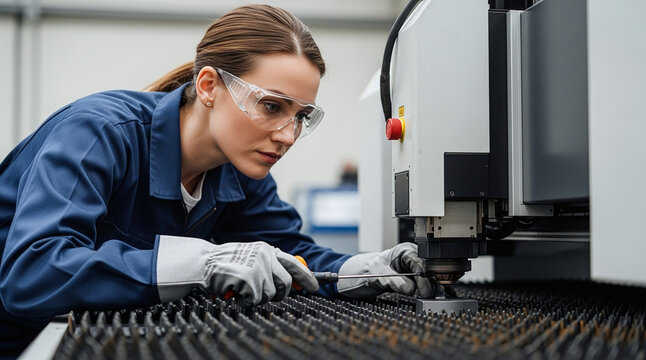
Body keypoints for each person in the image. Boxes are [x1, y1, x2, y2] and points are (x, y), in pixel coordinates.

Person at [0, 4, 433, 357]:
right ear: (208, 86)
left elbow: (286, 252)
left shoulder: (239, 168)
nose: (287, 135)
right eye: (270, 107)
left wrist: (352, 270)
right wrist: (197, 262)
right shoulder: (99, 134)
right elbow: (32, 274)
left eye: (301, 116)